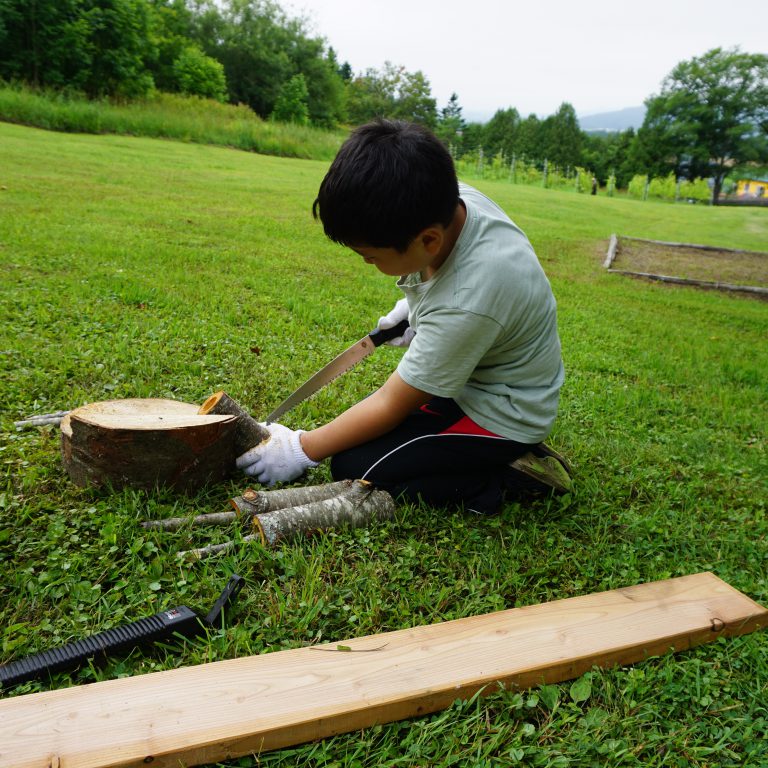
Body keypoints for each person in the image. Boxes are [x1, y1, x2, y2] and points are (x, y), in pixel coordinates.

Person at [236, 119, 570, 514]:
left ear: (428, 239)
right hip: (466, 381)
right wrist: (414, 310)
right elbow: (443, 276)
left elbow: (392, 402)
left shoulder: (468, 299)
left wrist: (299, 449)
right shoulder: (452, 200)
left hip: (502, 412)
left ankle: (504, 480)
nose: (368, 263)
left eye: (372, 256)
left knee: (355, 466)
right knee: (359, 447)